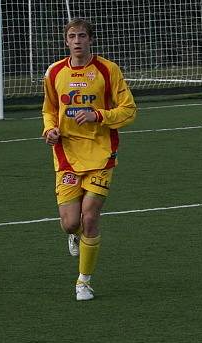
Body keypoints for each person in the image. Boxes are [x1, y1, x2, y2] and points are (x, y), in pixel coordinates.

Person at [42, 18, 137, 301]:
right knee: (72, 223)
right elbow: (49, 109)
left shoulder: (108, 70)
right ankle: (74, 235)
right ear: (66, 41)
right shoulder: (55, 72)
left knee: (90, 217)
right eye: (72, 36)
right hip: (67, 155)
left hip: (101, 154)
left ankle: (84, 281)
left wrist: (99, 115)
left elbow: (129, 110)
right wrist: (49, 130)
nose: (77, 41)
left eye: (82, 35)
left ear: (90, 40)